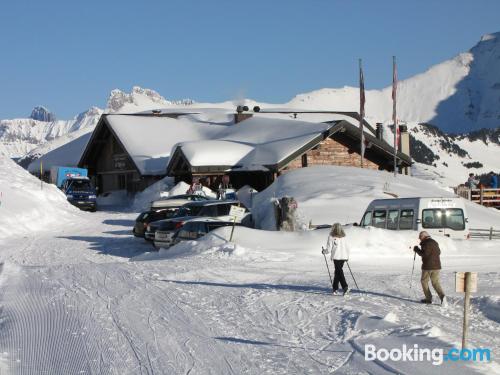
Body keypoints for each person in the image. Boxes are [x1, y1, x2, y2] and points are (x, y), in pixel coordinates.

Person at [413, 231, 446, 305]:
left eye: (420, 237)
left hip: (428, 266)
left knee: (424, 281)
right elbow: (439, 252)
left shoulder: (426, 243)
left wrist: (417, 249)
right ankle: (443, 297)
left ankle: (428, 298)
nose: (419, 239)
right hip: (437, 266)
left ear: (423, 236)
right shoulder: (434, 242)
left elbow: (424, 254)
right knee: (435, 282)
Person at [322, 223, 350, 295]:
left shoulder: (331, 237)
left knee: (339, 271)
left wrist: (324, 251)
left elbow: (328, 249)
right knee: (338, 271)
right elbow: (347, 247)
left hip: (336, 257)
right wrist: (347, 256)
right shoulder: (344, 237)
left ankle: (345, 287)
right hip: (343, 256)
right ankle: (335, 288)